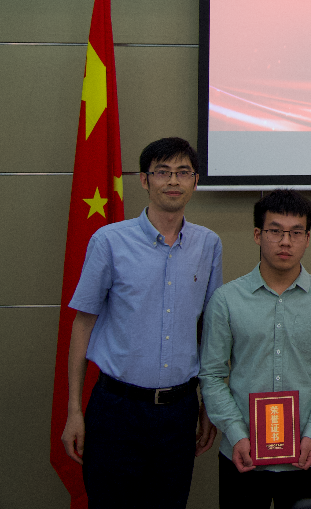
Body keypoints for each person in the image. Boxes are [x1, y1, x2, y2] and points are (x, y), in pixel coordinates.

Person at [60, 137, 222, 509]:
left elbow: (209, 328)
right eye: (162, 172)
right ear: (144, 180)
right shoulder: (109, 241)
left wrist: (207, 404)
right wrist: (74, 410)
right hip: (117, 410)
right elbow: (83, 324)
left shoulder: (208, 245)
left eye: (183, 172)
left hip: (180, 410)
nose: (173, 181)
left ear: (195, 181)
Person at [199, 189, 311, 509]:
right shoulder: (227, 300)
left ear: (307, 239)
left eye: (296, 232)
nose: (286, 242)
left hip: (304, 456)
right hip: (242, 455)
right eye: (275, 231)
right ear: (258, 235)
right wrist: (235, 433)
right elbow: (212, 375)